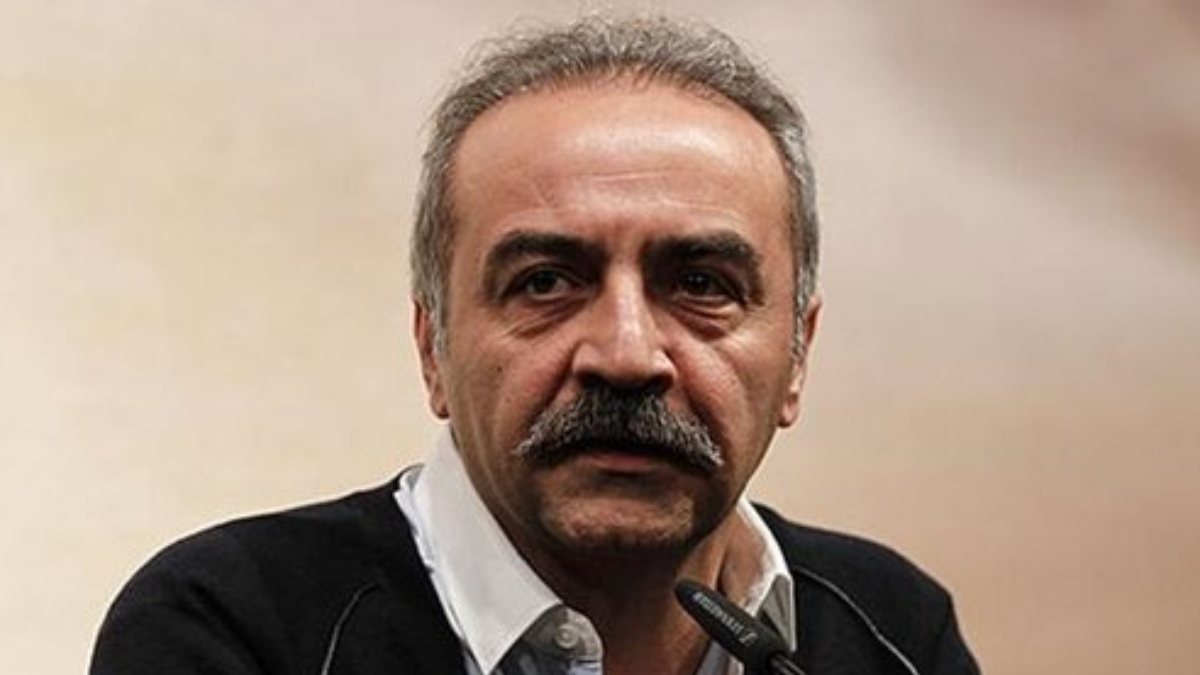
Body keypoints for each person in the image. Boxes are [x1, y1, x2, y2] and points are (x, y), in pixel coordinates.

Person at [90, 15, 978, 675]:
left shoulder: (892, 631)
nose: (626, 355)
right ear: (433, 347)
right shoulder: (237, 626)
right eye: (546, 282)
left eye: (701, 285)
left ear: (798, 357)